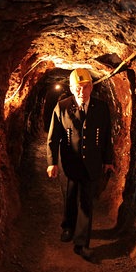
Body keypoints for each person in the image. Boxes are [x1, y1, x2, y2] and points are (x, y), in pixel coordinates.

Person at [46, 68, 114, 261]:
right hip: (69, 162)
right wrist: (52, 162)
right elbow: (53, 138)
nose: (81, 92)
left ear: (91, 87)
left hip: (92, 162)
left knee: (86, 201)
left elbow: (107, 135)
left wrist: (108, 160)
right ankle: (68, 226)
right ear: (71, 88)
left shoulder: (101, 108)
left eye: (85, 88)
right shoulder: (62, 107)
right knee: (70, 196)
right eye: (77, 88)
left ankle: (82, 243)